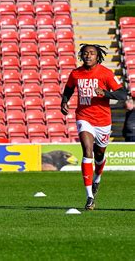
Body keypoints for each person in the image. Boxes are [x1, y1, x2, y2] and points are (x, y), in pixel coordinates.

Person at [61, 44, 126, 210]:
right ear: (81, 55)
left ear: (98, 56)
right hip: (84, 117)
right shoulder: (76, 73)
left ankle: (97, 177)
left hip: (103, 121)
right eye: (85, 53)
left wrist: (105, 93)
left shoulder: (106, 73)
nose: (88, 55)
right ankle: (89, 196)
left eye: (92, 53)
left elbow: (122, 94)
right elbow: (68, 89)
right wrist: (64, 101)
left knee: (99, 154)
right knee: (87, 150)